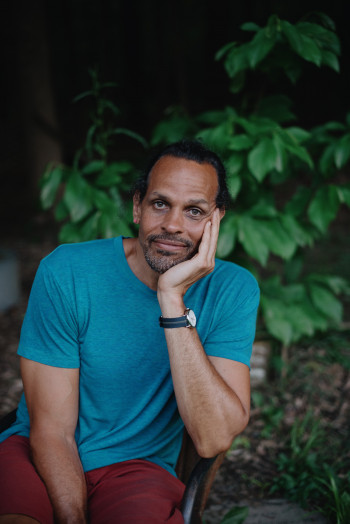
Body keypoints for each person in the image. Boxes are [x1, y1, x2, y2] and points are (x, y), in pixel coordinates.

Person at [0, 139, 260, 524]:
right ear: (137, 206)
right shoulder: (67, 271)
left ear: (215, 220)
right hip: (39, 453)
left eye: (193, 211)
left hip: (138, 470)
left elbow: (212, 437)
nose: (172, 224)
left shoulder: (232, 289)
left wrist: (172, 301)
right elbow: (52, 430)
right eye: (160, 204)